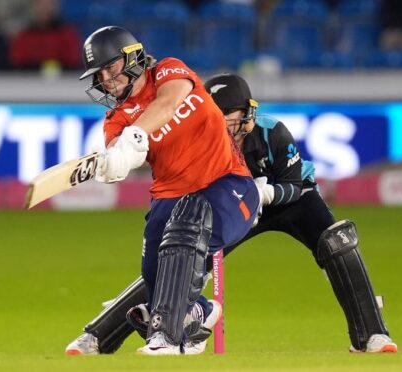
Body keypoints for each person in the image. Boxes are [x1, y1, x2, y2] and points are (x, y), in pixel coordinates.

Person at [64, 72, 398, 355]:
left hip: (291, 201)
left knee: (337, 240)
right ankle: (99, 335)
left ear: (248, 112)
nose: (226, 122)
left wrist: (267, 193)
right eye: (218, 114)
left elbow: (296, 185)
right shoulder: (202, 139)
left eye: (233, 114)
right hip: (235, 201)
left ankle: (371, 335)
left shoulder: (272, 133)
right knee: (177, 255)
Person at [66, 27, 260, 355]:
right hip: (168, 200)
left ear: (133, 58)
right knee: (155, 274)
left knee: (187, 229)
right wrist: (115, 162)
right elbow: (123, 154)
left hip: (227, 185)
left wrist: (135, 133)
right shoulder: (115, 120)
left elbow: (169, 103)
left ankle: (166, 337)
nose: (107, 80)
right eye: (99, 74)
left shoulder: (168, 71)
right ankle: (199, 312)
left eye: (111, 68)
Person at [8, 0, 82, 70]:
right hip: (30, 80)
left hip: (63, 79)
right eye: (41, 4)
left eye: (49, 4)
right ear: (35, 6)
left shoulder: (67, 33)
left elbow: (73, 60)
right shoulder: (25, 35)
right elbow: (17, 61)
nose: (45, 9)